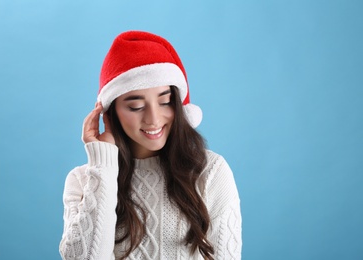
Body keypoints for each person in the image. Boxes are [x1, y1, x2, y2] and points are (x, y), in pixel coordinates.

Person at [59, 30, 242, 260]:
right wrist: (103, 164)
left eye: (164, 101)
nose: (154, 119)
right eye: (135, 106)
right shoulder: (83, 180)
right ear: (110, 111)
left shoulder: (211, 171)